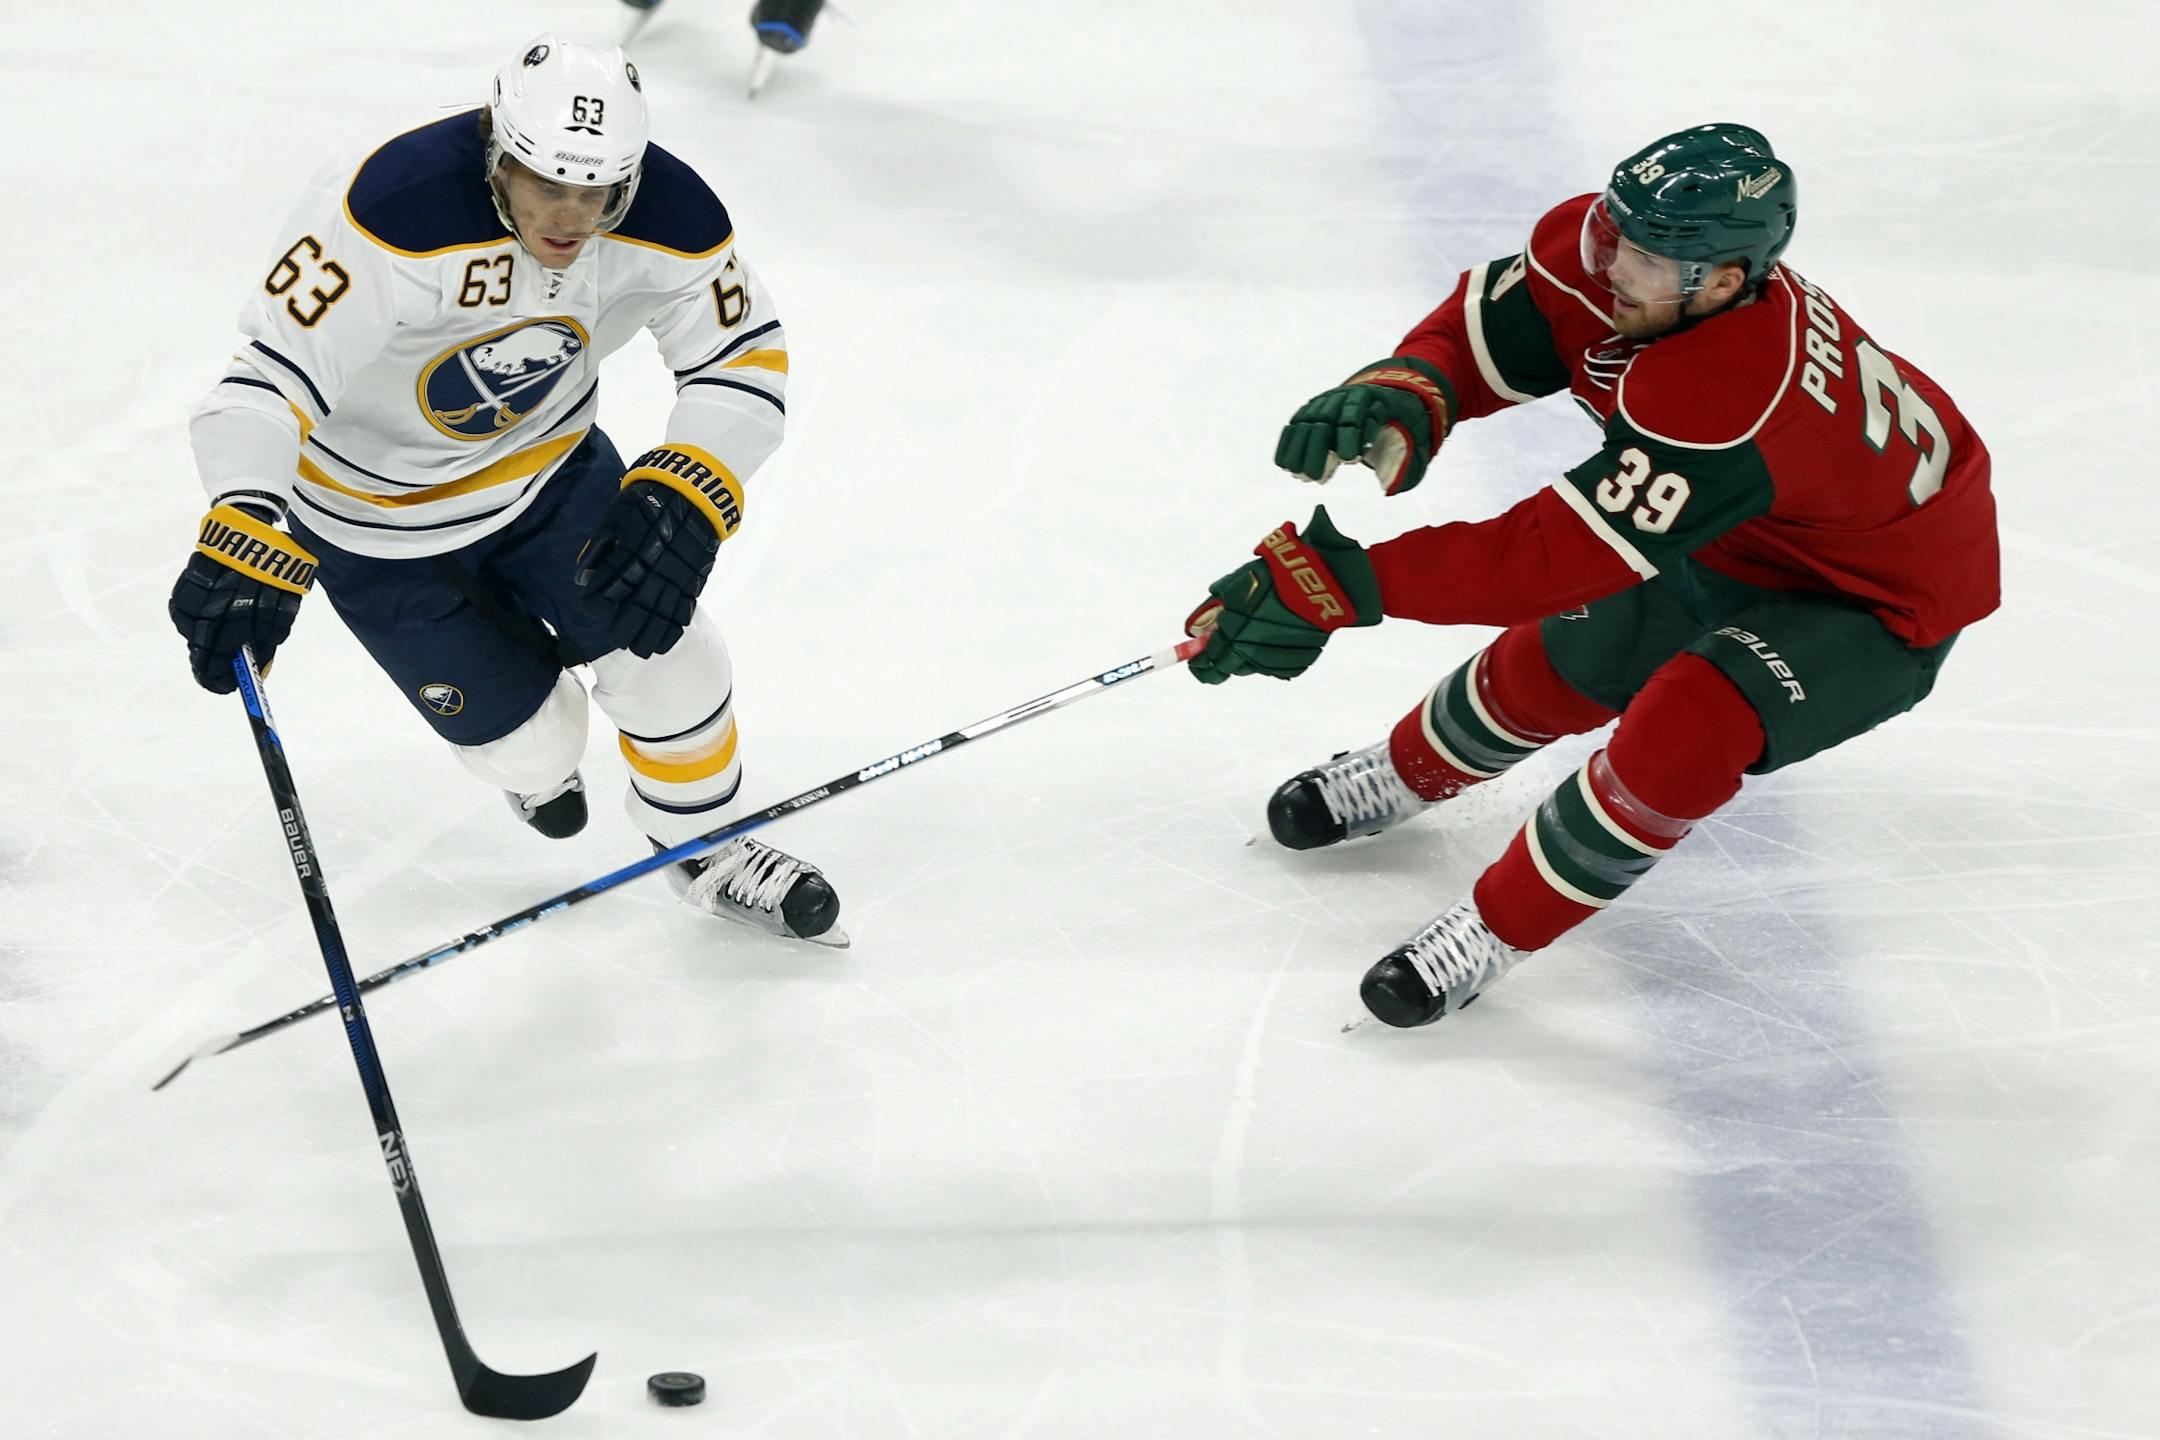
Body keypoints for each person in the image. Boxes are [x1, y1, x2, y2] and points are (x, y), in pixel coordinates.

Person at [1183, 123, 1998, 1027]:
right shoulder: (1618, 262)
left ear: (1724, 283)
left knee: (1687, 724)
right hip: (1746, 532)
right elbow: (1493, 328)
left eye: (1641, 259)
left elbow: (1542, 560)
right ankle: (1403, 771)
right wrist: (1418, 384)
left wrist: (1351, 585)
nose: (1609, 266)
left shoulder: (1729, 389)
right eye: (1614, 234)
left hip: (1872, 598)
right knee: (1573, 655)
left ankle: (1492, 931)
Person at [168, 35, 845, 945]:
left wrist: (694, 481)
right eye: (546, 183)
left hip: (550, 480)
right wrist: (245, 514)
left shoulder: (671, 213)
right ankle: (534, 769)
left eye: (600, 190)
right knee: (533, 743)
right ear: (498, 148)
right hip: (371, 529)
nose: (571, 216)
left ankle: (707, 847)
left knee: (672, 664)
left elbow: (741, 352)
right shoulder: (388, 207)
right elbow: (266, 379)